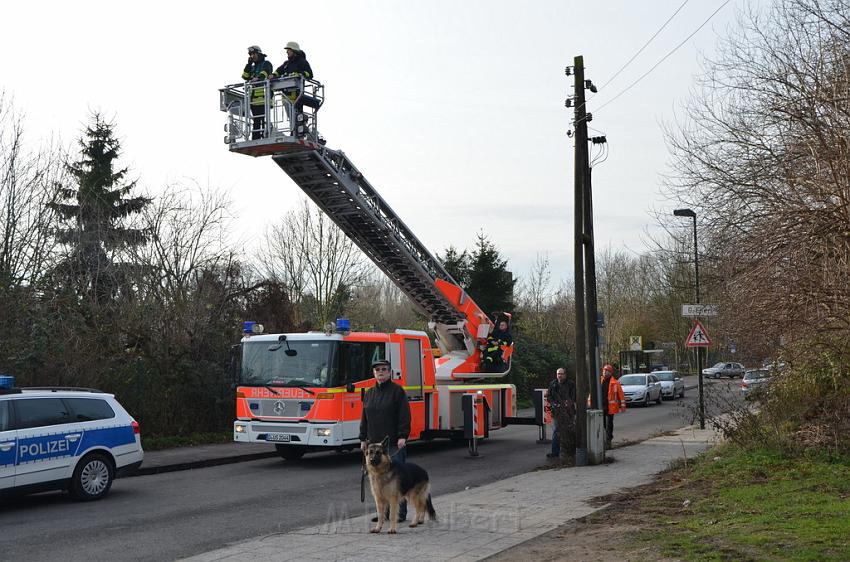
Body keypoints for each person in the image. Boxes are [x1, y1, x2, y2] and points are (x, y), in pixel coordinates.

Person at [359, 358, 411, 522]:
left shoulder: (397, 391)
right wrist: (363, 438)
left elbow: (404, 415)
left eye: (383, 369)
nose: (380, 372)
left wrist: (403, 435)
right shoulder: (369, 393)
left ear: (389, 372)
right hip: (374, 445)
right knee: (379, 481)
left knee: (396, 479)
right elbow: (364, 417)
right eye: (377, 370)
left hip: (394, 443)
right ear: (374, 373)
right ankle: (384, 513)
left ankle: (400, 513)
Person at [271, 41, 314, 136]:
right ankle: (293, 132)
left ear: (294, 51)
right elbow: (278, 71)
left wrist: (300, 74)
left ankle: (298, 133)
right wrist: (273, 75)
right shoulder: (286, 64)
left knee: (298, 115)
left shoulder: (302, 62)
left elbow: (310, 74)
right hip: (286, 94)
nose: (287, 52)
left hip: (297, 94)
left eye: (289, 50)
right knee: (291, 116)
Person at [242, 45, 273, 140]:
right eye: (250, 55)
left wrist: (258, 78)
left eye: (253, 54)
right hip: (254, 100)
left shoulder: (266, 63)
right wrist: (248, 64)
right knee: (256, 120)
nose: (252, 56)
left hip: (264, 97)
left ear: (259, 54)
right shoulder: (253, 67)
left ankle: (265, 136)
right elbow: (245, 76)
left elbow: (265, 73)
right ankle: (255, 138)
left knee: (263, 119)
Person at [546, 367, 576, 458]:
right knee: (556, 431)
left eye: (561, 374)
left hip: (569, 412)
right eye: (558, 374)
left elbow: (574, 395)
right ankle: (555, 452)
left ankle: (571, 452)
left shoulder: (571, 384)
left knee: (570, 430)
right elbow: (549, 396)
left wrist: (569, 402)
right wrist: (554, 404)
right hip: (557, 411)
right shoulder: (553, 384)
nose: (559, 375)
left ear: (565, 375)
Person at [601, 364, 626, 448]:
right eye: (604, 370)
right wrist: (590, 403)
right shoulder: (599, 381)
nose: (605, 372)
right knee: (602, 425)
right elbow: (593, 393)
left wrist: (623, 406)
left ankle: (608, 441)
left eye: (607, 371)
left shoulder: (615, 383)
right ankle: (603, 440)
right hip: (601, 407)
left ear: (610, 373)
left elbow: (621, 395)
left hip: (610, 408)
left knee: (609, 425)